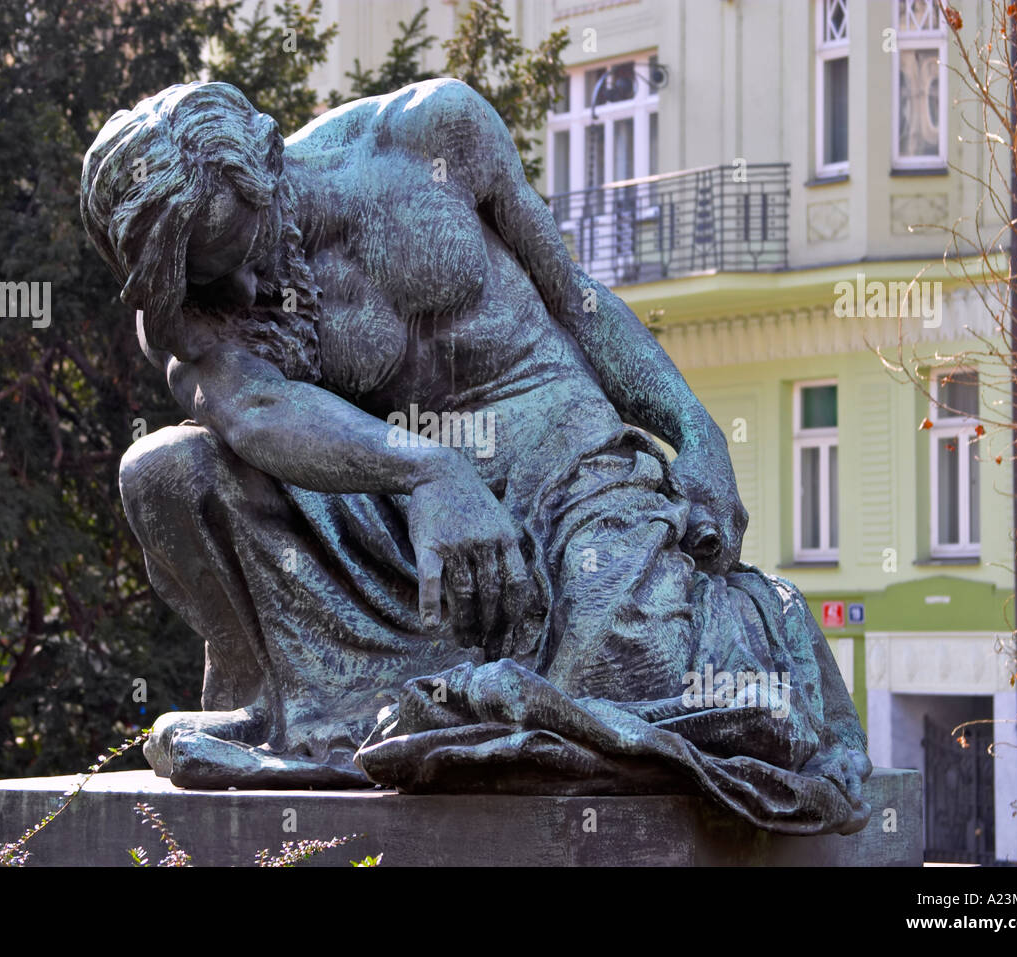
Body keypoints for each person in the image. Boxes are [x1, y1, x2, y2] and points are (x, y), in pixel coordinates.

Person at [80, 79, 872, 833]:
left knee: (632, 676)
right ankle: (286, 710)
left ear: (266, 158)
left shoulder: (431, 133)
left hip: (561, 464)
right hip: (397, 501)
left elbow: (575, 299)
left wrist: (695, 431)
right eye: (217, 276)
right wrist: (429, 473)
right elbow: (257, 412)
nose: (248, 286)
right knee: (162, 473)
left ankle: (753, 622)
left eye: (242, 245)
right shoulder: (185, 300)